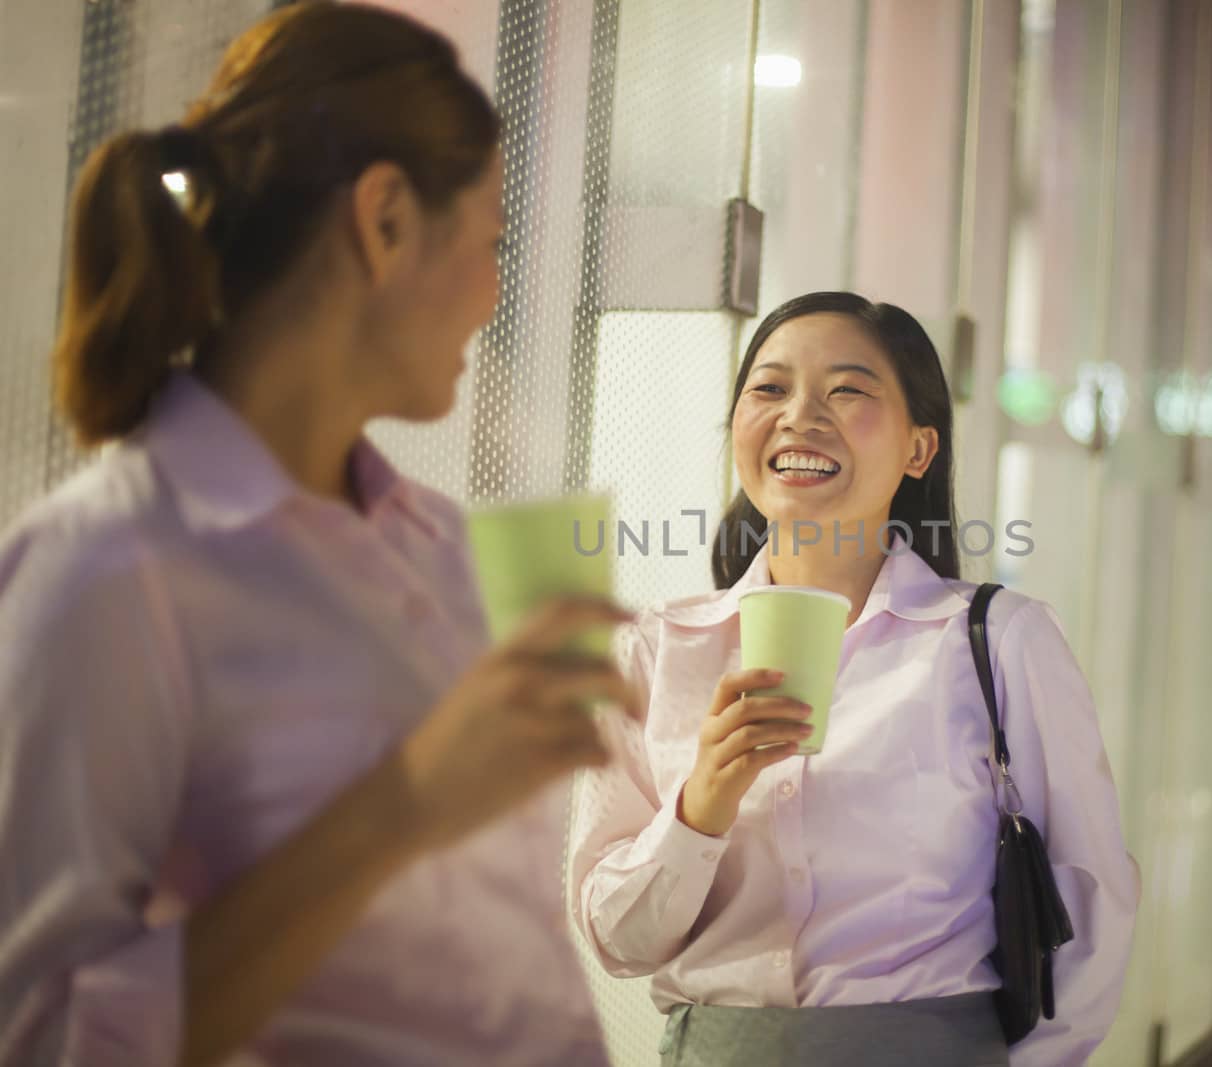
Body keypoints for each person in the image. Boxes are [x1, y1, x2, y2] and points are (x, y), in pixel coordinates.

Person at [0, 4, 632, 1065]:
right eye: (491, 242)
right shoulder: (108, 567)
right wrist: (402, 804)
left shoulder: (438, 548)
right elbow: (39, 1037)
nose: (491, 295)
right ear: (384, 220)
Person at [568, 291, 1140, 1066]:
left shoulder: (1000, 643)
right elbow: (615, 940)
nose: (799, 416)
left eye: (846, 390)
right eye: (769, 389)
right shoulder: (654, 651)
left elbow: (1089, 902)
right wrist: (699, 809)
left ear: (918, 448)